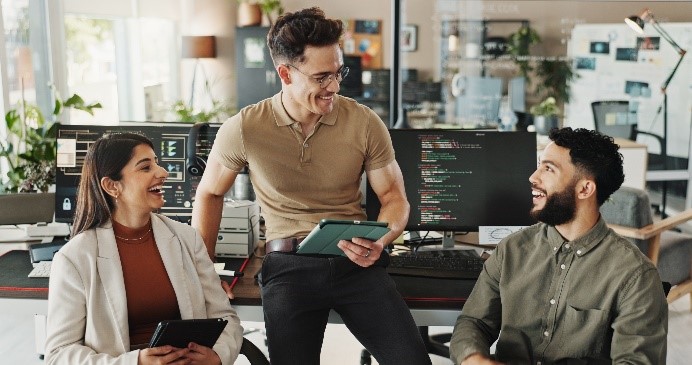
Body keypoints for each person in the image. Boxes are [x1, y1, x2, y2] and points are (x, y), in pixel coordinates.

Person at [191, 7, 431, 365]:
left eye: (338, 73)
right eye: (321, 78)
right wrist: (204, 271)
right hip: (288, 267)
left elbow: (394, 197)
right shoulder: (245, 128)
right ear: (285, 73)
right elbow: (210, 193)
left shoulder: (364, 122)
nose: (334, 86)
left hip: (355, 263)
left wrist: (381, 239)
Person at [449, 127, 668, 364]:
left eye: (548, 169)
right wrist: (474, 359)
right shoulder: (510, 249)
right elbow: (474, 322)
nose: (533, 177)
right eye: (539, 165)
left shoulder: (635, 275)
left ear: (585, 189)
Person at [45, 133, 244, 365]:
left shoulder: (187, 239)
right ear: (112, 186)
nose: (163, 173)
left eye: (157, 163)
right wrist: (135, 362)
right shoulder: (75, 258)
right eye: (146, 167)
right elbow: (58, 355)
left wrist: (217, 356)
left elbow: (225, 318)